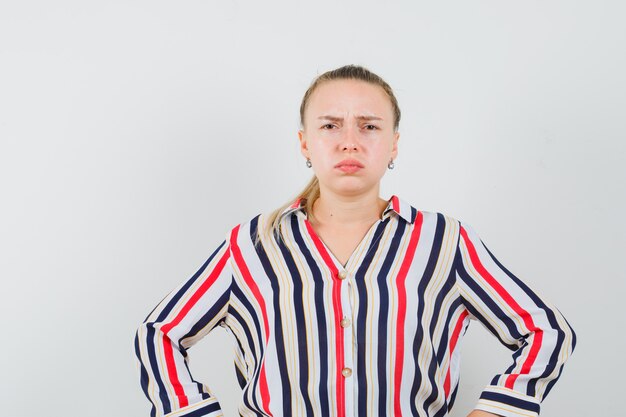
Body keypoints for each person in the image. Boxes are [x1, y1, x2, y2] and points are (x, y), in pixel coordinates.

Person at [134, 65, 576, 417]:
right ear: (305, 143)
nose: (349, 142)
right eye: (330, 126)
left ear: (394, 145)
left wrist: (498, 410)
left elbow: (546, 331)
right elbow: (159, 334)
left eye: (368, 126)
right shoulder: (252, 244)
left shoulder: (444, 242)